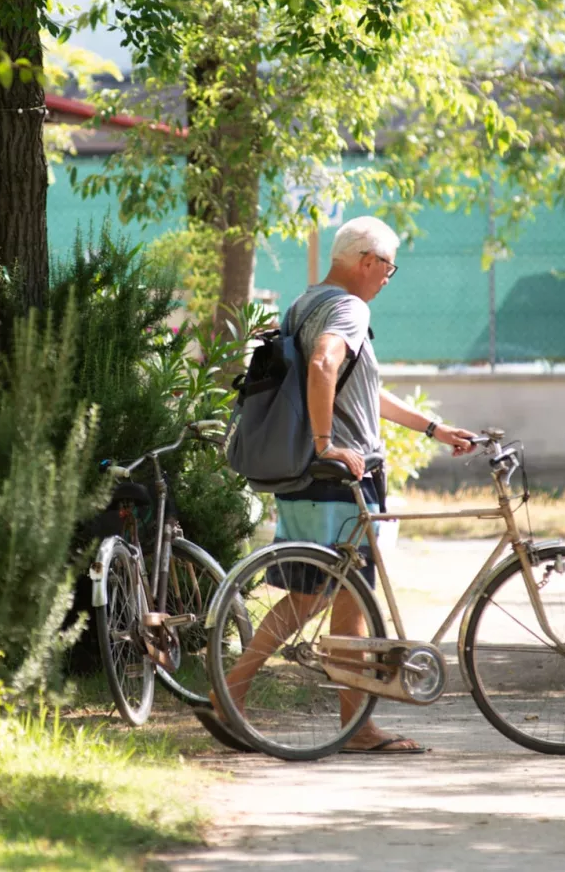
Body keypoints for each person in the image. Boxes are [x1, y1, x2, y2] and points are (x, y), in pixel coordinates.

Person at [218, 215, 475, 753]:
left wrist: (432, 428)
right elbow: (323, 363)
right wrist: (325, 441)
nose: (388, 277)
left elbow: (358, 386)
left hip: (306, 477)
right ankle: (353, 727)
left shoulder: (305, 303)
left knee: (311, 597)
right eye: (388, 267)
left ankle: (234, 691)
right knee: (344, 602)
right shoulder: (349, 308)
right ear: (367, 261)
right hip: (339, 477)